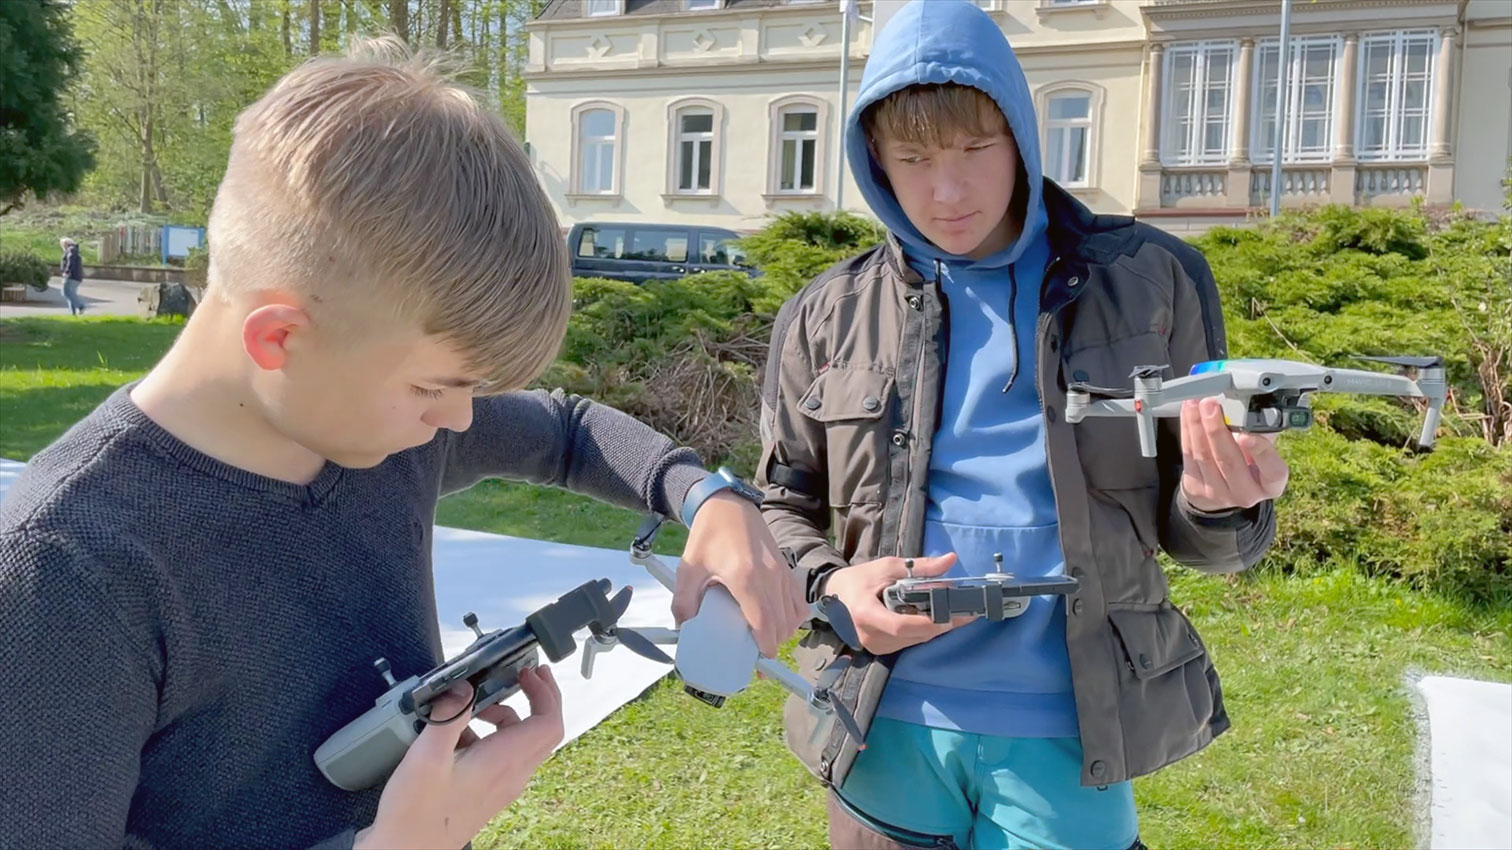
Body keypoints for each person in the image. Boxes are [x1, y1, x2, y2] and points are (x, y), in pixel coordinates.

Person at [0, 38, 804, 850]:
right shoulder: (66, 569)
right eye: (435, 387)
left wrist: (711, 500)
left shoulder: (385, 434)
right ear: (281, 337)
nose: (461, 420)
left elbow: (569, 429)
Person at [757, 3, 1291, 849]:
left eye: (976, 149)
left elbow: (1212, 544)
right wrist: (830, 585)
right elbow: (778, 508)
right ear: (873, 164)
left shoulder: (1155, 283)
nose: (948, 190)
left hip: (1070, 729)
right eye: (913, 158)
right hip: (881, 722)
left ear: (1022, 137)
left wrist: (1221, 504)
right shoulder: (825, 314)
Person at [60, 236, 85, 315]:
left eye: (63, 245)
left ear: (66, 244)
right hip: (77, 276)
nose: (62, 247)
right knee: (71, 294)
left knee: (66, 292)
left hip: (71, 276)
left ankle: (81, 306)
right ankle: (73, 314)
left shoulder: (71, 250)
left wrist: (67, 272)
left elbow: (70, 261)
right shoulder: (74, 250)